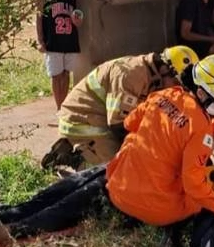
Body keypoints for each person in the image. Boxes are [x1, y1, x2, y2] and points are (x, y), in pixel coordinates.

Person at [106, 54, 214, 247]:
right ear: (202, 94)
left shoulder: (162, 95)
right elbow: (194, 187)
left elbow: (129, 123)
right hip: (156, 211)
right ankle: (171, 234)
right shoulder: (200, 127)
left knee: (134, 141)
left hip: (118, 190)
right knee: (200, 196)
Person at [40, 46, 200, 171]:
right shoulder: (131, 75)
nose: (179, 91)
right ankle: (74, 158)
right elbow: (118, 125)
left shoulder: (154, 77)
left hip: (101, 118)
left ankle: (81, 147)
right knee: (115, 170)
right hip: (82, 121)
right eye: (178, 84)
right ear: (166, 70)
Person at [36, 0, 84, 112]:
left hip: (69, 38)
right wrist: (40, 40)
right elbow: (39, 15)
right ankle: (59, 109)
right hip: (53, 38)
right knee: (56, 75)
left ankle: (64, 107)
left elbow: (79, 12)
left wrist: (78, 20)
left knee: (66, 74)